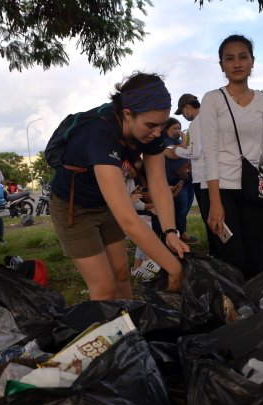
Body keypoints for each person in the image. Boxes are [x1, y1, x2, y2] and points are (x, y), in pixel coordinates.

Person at [48, 72, 188, 299]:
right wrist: (172, 266)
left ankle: (129, 330)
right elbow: (128, 221)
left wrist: (171, 232)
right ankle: (107, 334)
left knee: (122, 274)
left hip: (105, 204)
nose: (157, 133)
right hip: (74, 208)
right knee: (104, 288)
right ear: (127, 114)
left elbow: (159, 184)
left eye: (162, 125)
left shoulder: (152, 134)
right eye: (150, 125)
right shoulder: (99, 133)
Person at [200, 35, 263, 279]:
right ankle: (236, 313)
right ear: (222, 66)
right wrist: (215, 203)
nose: (237, 63)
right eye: (229, 59)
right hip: (222, 188)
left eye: (242, 57)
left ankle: (257, 311)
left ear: (252, 62)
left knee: (260, 257)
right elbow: (210, 152)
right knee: (231, 259)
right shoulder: (212, 99)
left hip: (257, 188)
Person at [175, 93, 218, 257]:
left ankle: (215, 253)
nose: (184, 116)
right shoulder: (211, 118)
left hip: (202, 178)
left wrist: (174, 150)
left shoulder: (195, 123)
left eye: (183, 112)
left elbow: (195, 153)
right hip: (214, 174)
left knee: (209, 218)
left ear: (187, 108)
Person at [161, 118, 199, 244]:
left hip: (187, 180)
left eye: (179, 128)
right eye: (175, 128)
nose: (178, 131)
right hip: (175, 182)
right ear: (166, 130)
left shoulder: (177, 141)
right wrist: (184, 140)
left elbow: (189, 155)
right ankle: (178, 235)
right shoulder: (165, 142)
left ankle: (180, 232)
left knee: (186, 208)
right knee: (180, 209)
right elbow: (175, 154)